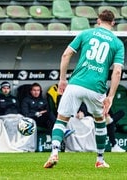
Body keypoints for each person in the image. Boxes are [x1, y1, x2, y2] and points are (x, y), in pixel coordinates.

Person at [44, 10, 124, 168]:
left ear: (98, 21)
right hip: (96, 87)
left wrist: (62, 79)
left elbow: (66, 55)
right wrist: (111, 96)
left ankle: (54, 153)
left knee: (61, 119)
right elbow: (117, 71)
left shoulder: (86, 33)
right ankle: (100, 160)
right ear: (113, 23)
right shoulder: (117, 43)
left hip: (75, 83)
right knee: (100, 120)